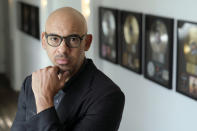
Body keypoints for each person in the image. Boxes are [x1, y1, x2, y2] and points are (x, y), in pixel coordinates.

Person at [11, 7, 125, 131]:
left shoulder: (107, 96)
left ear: (87, 42)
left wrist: (44, 100)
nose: (63, 49)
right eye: (54, 38)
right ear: (44, 41)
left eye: (73, 39)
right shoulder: (31, 83)